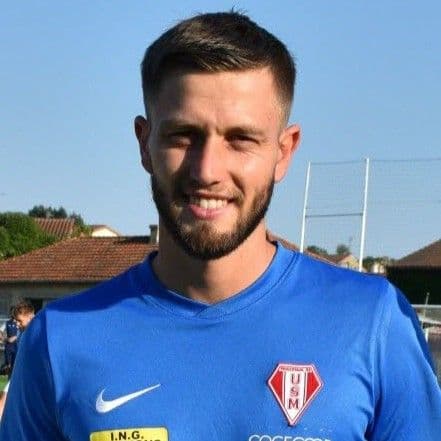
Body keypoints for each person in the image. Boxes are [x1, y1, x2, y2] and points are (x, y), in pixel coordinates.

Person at [1, 11, 440, 441]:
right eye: (183, 136)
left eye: (240, 139)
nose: (208, 170)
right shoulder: (59, 340)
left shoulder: (373, 322)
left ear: (284, 151)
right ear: (145, 144)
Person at [0, 301, 35, 420]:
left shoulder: (40, 334)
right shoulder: (22, 334)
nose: (17, 324)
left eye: (20, 321)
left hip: (33, 378)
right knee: (4, 399)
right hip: (20, 376)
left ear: (30, 317)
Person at [3, 307, 20, 378]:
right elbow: (1, 332)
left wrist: (15, 337)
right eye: (12, 312)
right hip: (8, 347)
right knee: (8, 365)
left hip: (16, 346)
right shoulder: (7, 323)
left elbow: (22, 331)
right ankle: (8, 378)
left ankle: (12, 379)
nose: (13, 314)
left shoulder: (18, 323)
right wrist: (5, 339)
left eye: (14, 312)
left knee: (15, 365)